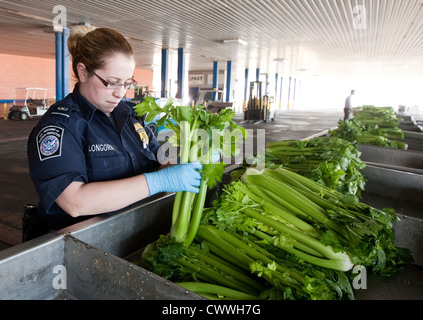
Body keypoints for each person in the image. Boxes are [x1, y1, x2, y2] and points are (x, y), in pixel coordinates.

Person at [27, 26, 202, 231]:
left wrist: (188, 158)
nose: (121, 93)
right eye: (112, 83)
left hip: (135, 230)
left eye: (127, 83)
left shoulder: (130, 116)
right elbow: (74, 202)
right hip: (83, 241)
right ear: (83, 72)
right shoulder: (60, 126)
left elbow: (160, 160)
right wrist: (157, 182)